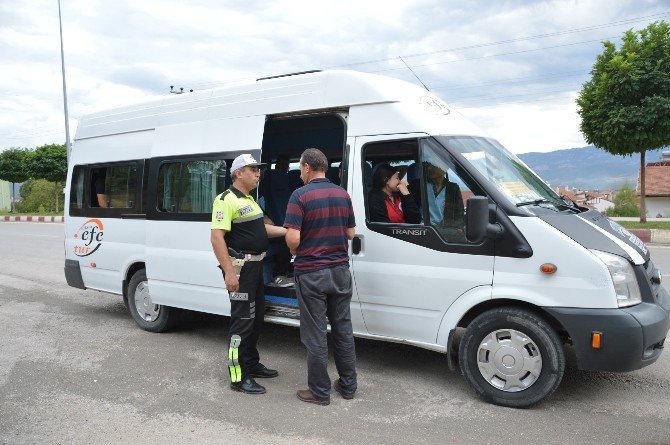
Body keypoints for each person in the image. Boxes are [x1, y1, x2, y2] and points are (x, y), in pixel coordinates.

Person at [284, 148, 357, 406]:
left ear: (306, 167)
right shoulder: (342, 194)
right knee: (343, 330)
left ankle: (319, 391)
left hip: (312, 272)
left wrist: (295, 248)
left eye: (300, 168)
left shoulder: (299, 196)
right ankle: (348, 386)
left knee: (315, 334)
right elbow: (350, 232)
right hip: (340, 271)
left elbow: (293, 238)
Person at [211, 153, 287, 395]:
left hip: (257, 269)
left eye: (258, 169)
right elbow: (216, 237)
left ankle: (252, 365)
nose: (258, 173)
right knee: (241, 324)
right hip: (241, 270)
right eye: (253, 169)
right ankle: (238, 376)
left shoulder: (251, 200)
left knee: (255, 320)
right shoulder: (225, 200)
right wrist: (229, 273)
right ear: (238, 173)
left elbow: (262, 229)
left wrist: (288, 231)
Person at [424, 162, 466, 239]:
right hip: (425, 230)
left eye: (434, 165)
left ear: (445, 169)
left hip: (444, 232)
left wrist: (459, 229)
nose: (429, 168)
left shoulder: (453, 188)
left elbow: (459, 212)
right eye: (428, 166)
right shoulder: (419, 185)